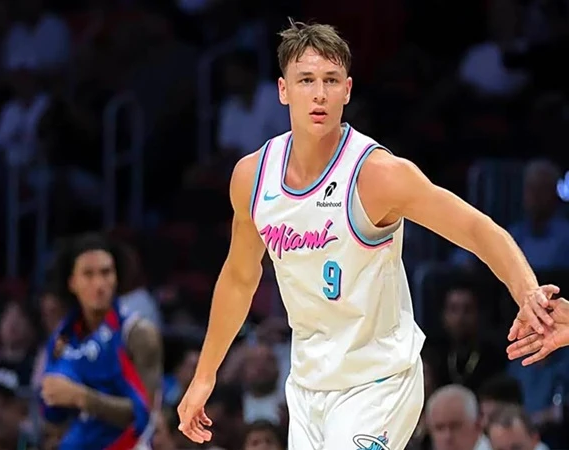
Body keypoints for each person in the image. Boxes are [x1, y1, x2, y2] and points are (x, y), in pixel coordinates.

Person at [177, 19, 558, 450]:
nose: (319, 94)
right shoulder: (252, 177)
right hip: (308, 385)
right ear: (283, 90)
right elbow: (239, 277)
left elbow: (475, 227)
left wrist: (527, 291)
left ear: (348, 90)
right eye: (306, 80)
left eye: (330, 80)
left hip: (380, 382)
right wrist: (205, 374)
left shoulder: (377, 175)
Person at [39, 233, 163, 449]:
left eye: (106, 273)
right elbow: (52, 420)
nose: (99, 284)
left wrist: (81, 397)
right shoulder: (62, 338)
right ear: (72, 282)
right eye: (88, 274)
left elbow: (145, 415)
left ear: (117, 278)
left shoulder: (138, 334)